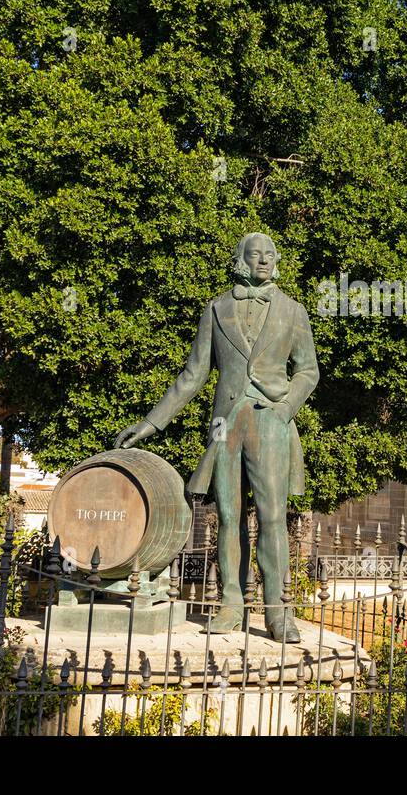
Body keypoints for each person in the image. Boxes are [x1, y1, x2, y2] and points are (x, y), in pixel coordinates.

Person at [114, 233, 319, 642]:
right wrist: (151, 423)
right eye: (255, 254)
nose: (263, 260)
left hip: (271, 420)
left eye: (270, 255)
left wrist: (284, 409)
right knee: (227, 516)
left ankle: (279, 613)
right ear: (241, 259)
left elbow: (308, 370)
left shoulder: (293, 311)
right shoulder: (216, 308)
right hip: (226, 422)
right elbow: (193, 375)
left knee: (273, 516)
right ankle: (230, 604)